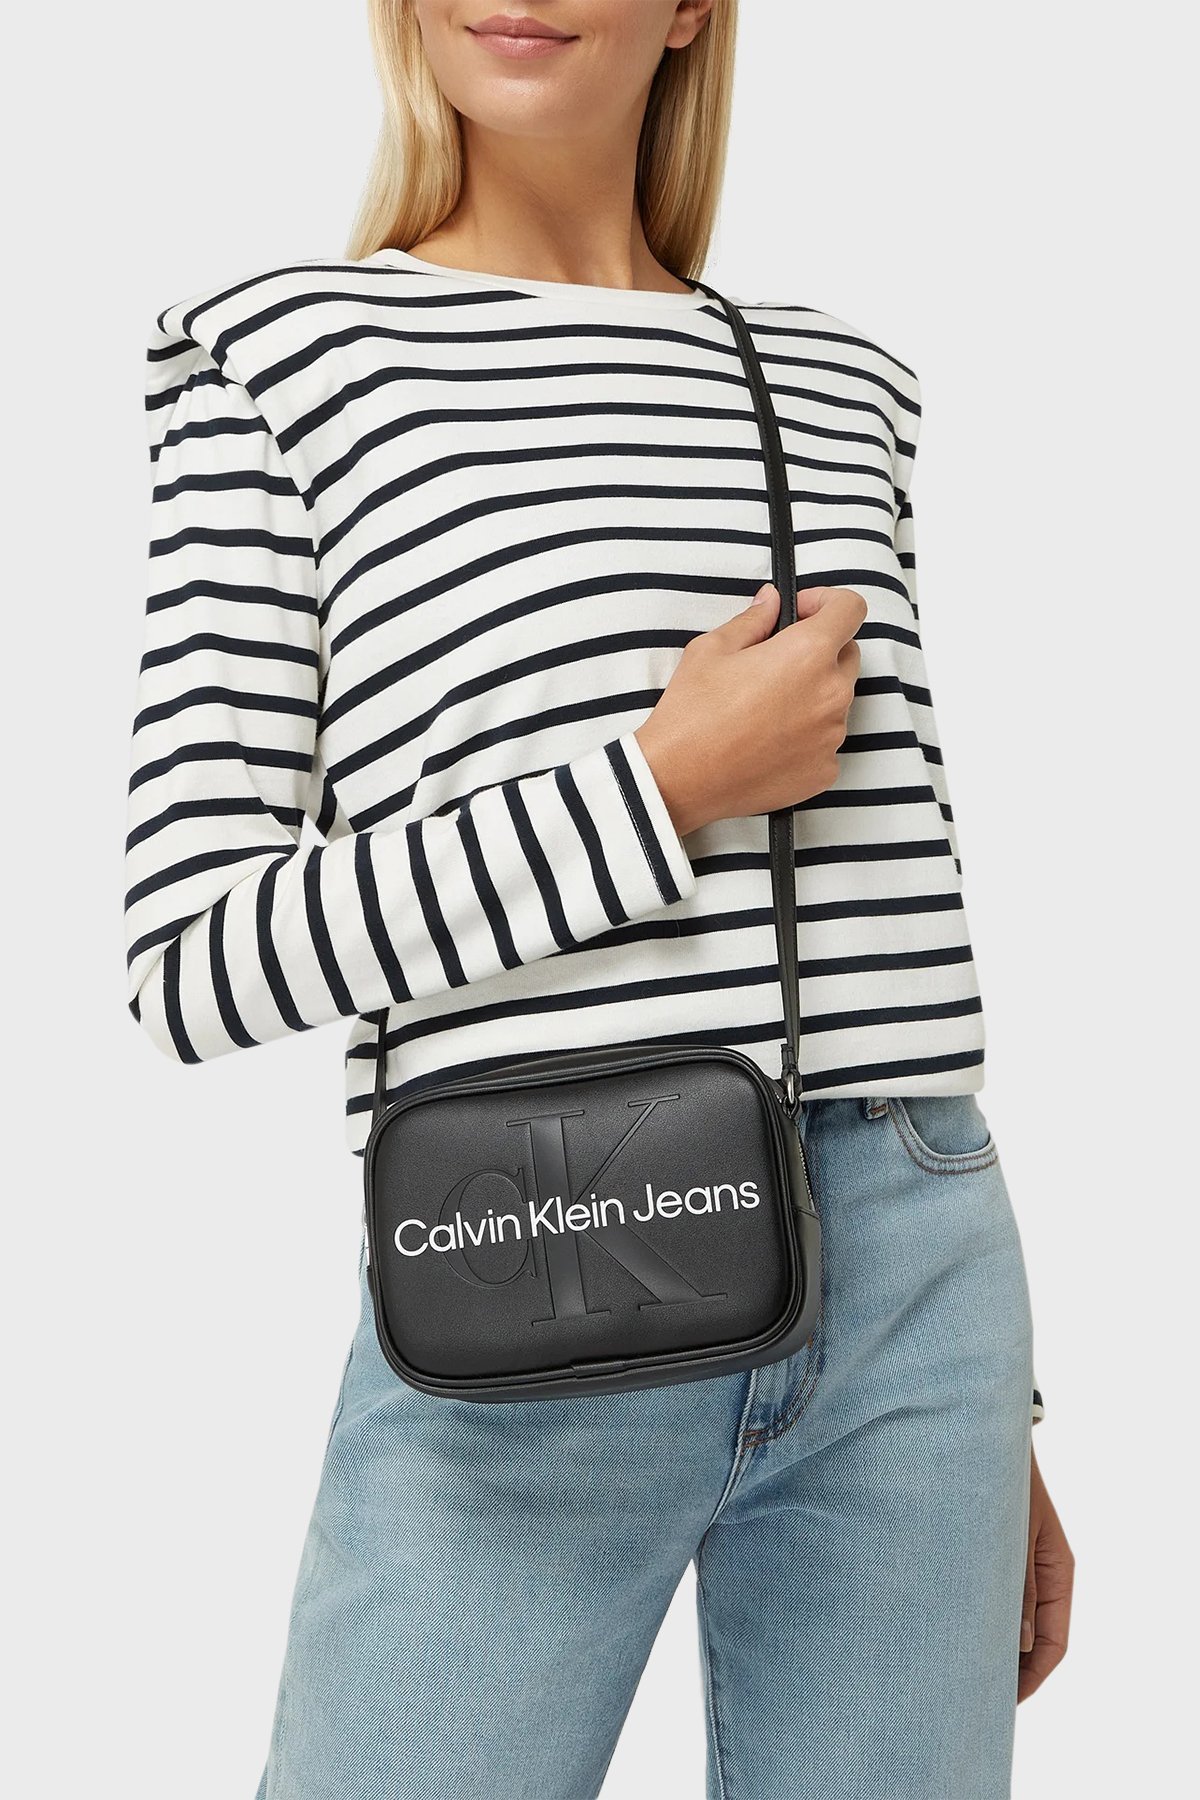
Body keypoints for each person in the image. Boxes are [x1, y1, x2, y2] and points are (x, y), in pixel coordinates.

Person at [123, 2, 1074, 1794]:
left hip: (910, 1277)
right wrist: (657, 788)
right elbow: (191, 957)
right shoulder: (283, 354)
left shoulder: (842, 386)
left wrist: (997, 1413)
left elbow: (891, 910)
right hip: (531, 1255)